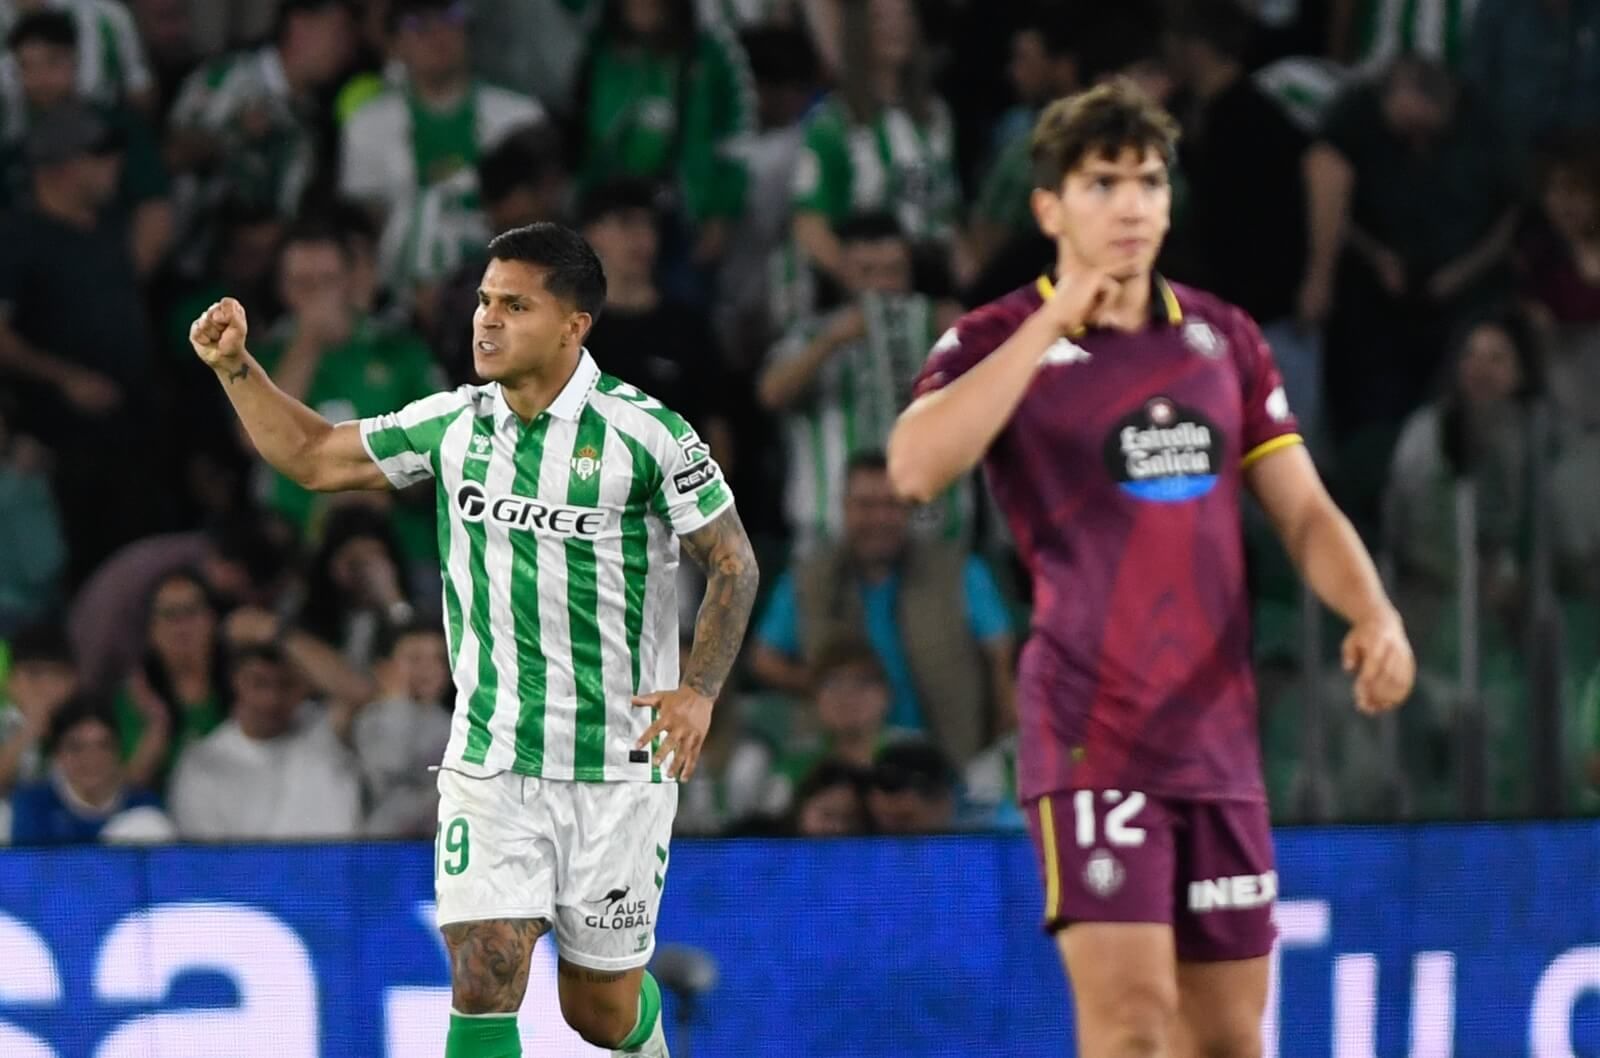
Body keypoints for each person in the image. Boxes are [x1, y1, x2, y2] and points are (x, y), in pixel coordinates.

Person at [887, 81, 1415, 1058]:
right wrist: (1054, 325)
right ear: (1049, 207)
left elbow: (1299, 509)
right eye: (1101, 183)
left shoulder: (1224, 338)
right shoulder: (993, 335)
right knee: (1129, 1023)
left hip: (1215, 741)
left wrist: (1373, 611)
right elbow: (916, 466)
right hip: (1091, 728)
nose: (1130, 203)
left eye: (1147, 180)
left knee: (1224, 1038)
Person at [188, 220, 760, 1058]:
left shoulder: (648, 436)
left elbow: (734, 565)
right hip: (492, 757)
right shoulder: (454, 425)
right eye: (484, 302)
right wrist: (238, 367)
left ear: (575, 325)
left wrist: (700, 691)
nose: (485, 322)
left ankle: (648, 1028)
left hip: (616, 767)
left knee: (595, 1012)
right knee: (484, 971)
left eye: (515, 305)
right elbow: (314, 456)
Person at [9, 697, 171, 845]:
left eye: (103, 745)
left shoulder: (144, 806)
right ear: (58, 755)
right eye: (76, 747)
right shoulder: (33, 806)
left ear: (118, 752)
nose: (91, 758)